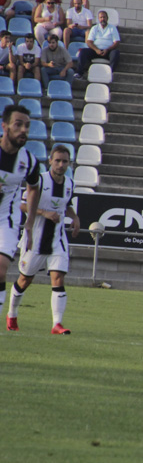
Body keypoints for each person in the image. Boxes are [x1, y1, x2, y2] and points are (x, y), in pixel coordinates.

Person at [7, 145, 78, 335]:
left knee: (58, 277)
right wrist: (44, 213)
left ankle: (57, 324)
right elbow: (22, 204)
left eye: (65, 161)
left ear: (69, 163)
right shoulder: (38, 181)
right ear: (50, 161)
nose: (61, 165)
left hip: (58, 239)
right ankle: (12, 314)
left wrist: (75, 217)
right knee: (24, 280)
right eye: (58, 160)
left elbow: (67, 204)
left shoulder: (70, 183)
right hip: (35, 237)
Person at [0, 105, 43, 332]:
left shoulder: (30, 161)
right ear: (4, 126)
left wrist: (29, 222)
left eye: (27, 125)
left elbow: (34, 188)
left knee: (1, 268)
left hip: (5, 220)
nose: (23, 130)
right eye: (18, 124)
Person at [76, 11, 120, 78]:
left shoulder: (112, 28)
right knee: (83, 52)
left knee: (116, 53)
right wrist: (96, 50)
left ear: (107, 18)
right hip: (95, 51)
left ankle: (110, 73)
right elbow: (89, 42)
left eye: (104, 17)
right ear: (98, 19)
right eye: (101, 17)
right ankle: (79, 73)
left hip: (108, 51)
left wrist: (107, 49)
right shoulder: (94, 28)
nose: (102, 19)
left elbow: (116, 42)